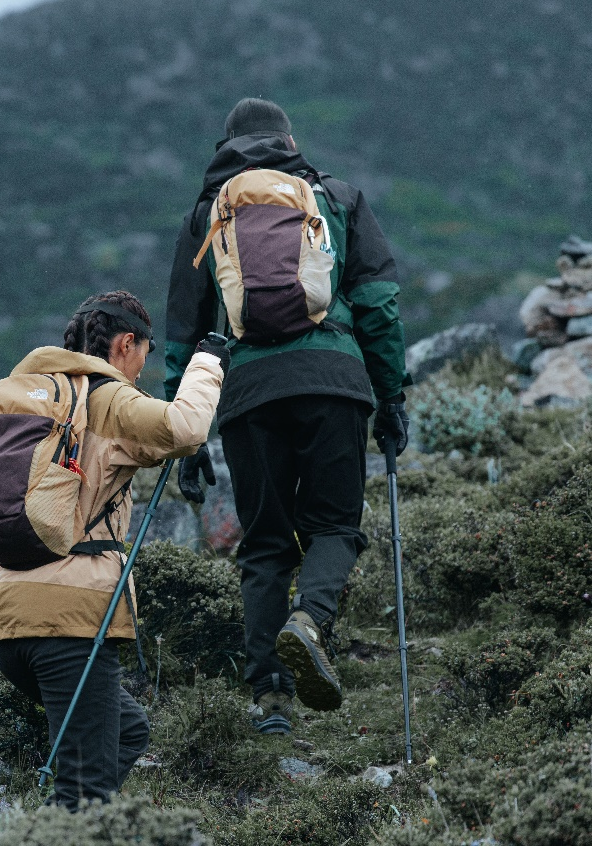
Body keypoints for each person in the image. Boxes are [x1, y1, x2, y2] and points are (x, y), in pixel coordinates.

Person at [161, 98, 412, 734]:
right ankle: (310, 621)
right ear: (290, 138)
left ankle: (270, 697)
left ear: (227, 146)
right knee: (333, 525)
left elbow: (185, 337)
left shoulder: (205, 217)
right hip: (335, 381)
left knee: (267, 543)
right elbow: (378, 307)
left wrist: (184, 440)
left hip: (248, 393)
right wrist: (392, 400)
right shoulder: (338, 198)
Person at [0, 290, 228, 809]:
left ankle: (56, 824)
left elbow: (118, 456)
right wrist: (207, 363)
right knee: (83, 787)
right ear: (126, 343)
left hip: (5, 622)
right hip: (69, 623)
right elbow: (184, 426)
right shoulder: (105, 397)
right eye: (146, 351)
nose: (143, 364)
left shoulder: (26, 397)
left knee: (126, 732)